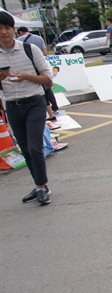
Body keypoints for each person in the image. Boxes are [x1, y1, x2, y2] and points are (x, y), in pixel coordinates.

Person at [0, 11, 54, 205]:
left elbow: (48, 79)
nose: (4, 32)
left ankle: (41, 187)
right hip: (12, 106)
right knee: (25, 149)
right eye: (0, 29)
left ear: (14, 30)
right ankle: (39, 185)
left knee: (35, 147)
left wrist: (27, 77)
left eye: (7, 28)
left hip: (34, 102)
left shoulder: (30, 49)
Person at [15, 26, 60, 128]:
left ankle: (51, 115)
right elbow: (45, 53)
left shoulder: (18, 41)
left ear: (20, 32)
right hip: (41, 72)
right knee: (47, 91)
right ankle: (54, 110)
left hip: (27, 80)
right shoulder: (39, 38)